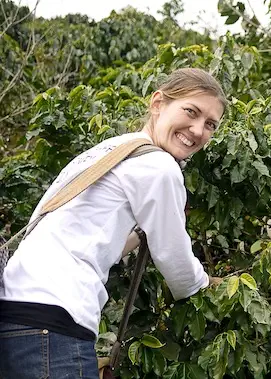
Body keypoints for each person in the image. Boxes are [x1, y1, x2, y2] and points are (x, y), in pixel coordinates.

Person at [0, 68, 226, 378]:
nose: (199, 130)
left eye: (210, 124)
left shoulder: (111, 150)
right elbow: (178, 268)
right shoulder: (159, 166)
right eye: (191, 111)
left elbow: (88, 234)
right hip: (54, 320)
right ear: (158, 103)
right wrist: (210, 286)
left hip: (16, 314)